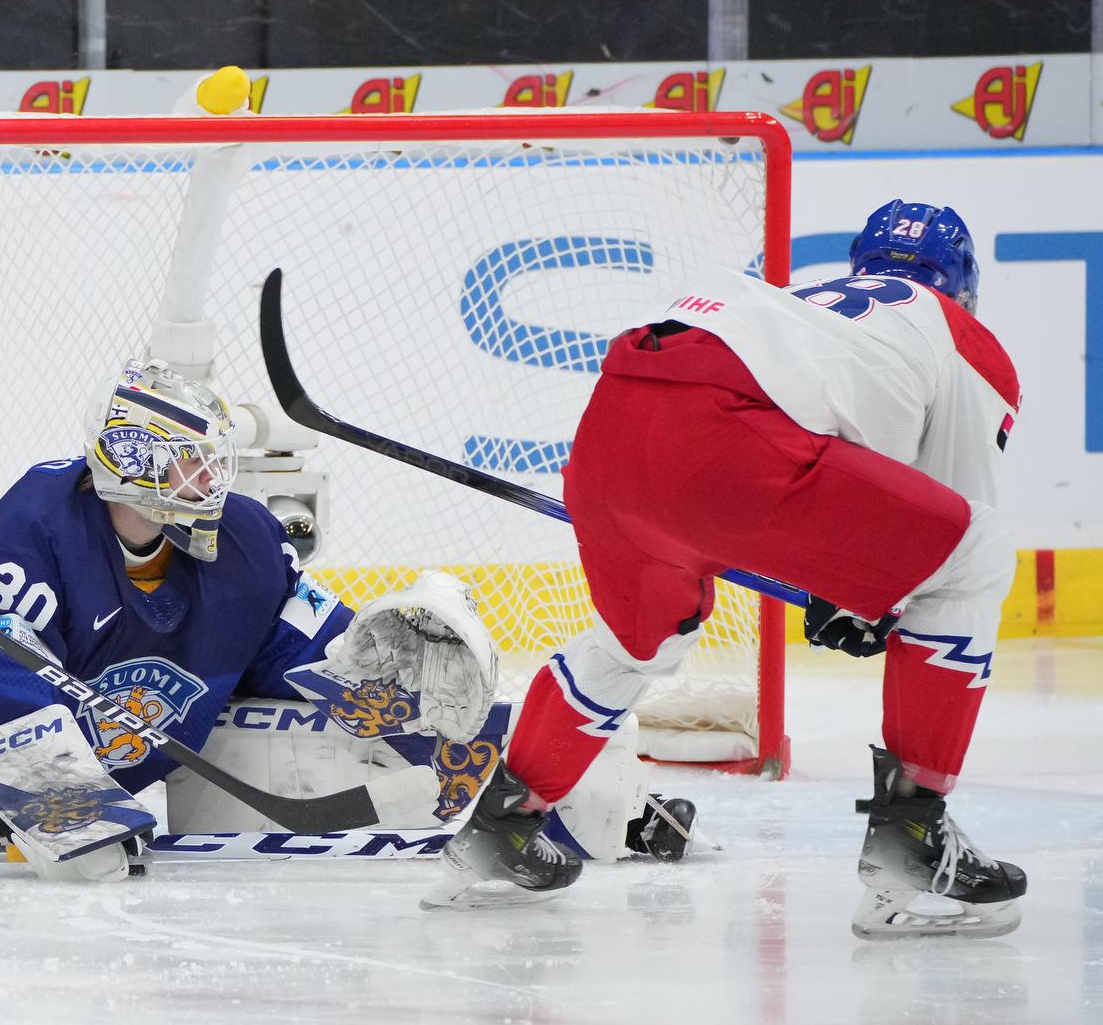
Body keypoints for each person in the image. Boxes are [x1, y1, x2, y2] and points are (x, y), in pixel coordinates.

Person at [429, 201, 1028, 941]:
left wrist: (856, 580)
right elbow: (946, 526)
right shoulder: (959, 333)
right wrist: (872, 591)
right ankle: (914, 839)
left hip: (612, 428)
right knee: (977, 558)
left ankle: (497, 834)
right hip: (729, 442)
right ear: (964, 286)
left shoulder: (804, 305)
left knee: (634, 645)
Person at [0, 358, 500, 882]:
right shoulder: (27, 539)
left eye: (212, 459)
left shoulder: (247, 537)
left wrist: (380, 672)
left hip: (127, 761)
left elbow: (291, 640)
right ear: (137, 465)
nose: (214, 478)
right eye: (194, 462)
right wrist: (56, 800)